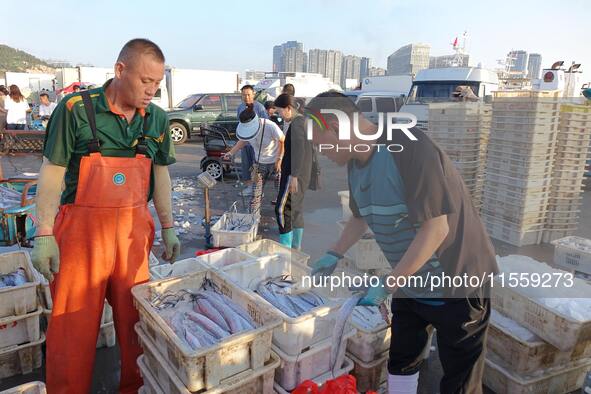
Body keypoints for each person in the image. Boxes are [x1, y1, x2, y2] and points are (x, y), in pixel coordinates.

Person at [307, 91, 498, 394]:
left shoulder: (407, 146)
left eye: (321, 144)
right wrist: (334, 253)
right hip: (411, 282)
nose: (322, 153)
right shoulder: (355, 164)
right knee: (401, 360)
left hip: (458, 283)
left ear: (336, 125)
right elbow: (360, 216)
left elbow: (436, 228)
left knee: (459, 380)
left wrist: (389, 283)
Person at [31, 38, 180, 394]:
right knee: (72, 328)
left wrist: (169, 227)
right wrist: (43, 233)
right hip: (81, 239)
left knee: (136, 324)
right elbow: (52, 170)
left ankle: (135, 388)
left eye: (158, 84)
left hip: (132, 235)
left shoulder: (156, 118)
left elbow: (161, 175)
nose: (152, 91)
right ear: (120, 70)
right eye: (146, 81)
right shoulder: (75, 109)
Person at [223, 104, 284, 218]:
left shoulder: (270, 126)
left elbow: (282, 141)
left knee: (281, 192)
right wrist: (231, 152)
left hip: (275, 162)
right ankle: (253, 218)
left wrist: (279, 159)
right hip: (259, 163)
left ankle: (283, 216)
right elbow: (243, 141)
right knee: (255, 194)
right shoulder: (246, 130)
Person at [273, 93, 314, 249]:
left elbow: (299, 151)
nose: (279, 115)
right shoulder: (304, 121)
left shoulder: (297, 124)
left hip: (294, 175)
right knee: (296, 210)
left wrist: (294, 176)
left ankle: (286, 249)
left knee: (281, 209)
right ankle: (296, 249)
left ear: (288, 108)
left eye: (280, 111)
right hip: (303, 174)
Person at [235, 85, 269, 196]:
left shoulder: (260, 108)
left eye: (248, 94)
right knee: (246, 165)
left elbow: (266, 124)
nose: (246, 97)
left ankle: (258, 190)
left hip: (257, 144)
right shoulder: (240, 108)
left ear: (253, 94)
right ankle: (249, 187)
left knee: (257, 167)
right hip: (244, 143)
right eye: (244, 95)